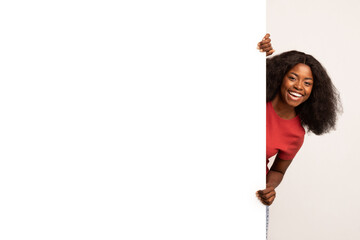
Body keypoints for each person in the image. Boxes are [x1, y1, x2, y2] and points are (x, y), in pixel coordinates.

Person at [256, 33, 341, 237]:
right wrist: (256, 52)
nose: (299, 87)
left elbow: (278, 171)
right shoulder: (254, 97)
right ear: (279, 76)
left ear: (314, 90)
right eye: (293, 77)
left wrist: (269, 187)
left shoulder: (296, 133)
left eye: (307, 83)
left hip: (250, 194)